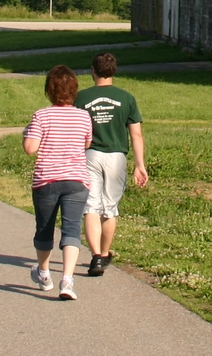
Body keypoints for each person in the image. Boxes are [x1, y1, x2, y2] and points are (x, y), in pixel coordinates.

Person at [75, 52, 149, 277]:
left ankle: (96, 255)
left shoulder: (81, 98)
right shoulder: (126, 98)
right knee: (109, 208)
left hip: (90, 155)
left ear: (93, 71)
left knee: (91, 207)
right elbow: (136, 134)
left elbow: (75, 130)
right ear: (114, 71)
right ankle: (105, 253)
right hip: (116, 155)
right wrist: (139, 164)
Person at [22, 65, 91, 301]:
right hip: (77, 179)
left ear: (49, 91)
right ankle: (68, 279)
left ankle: (43, 273)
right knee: (71, 229)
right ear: (74, 91)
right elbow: (87, 144)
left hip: (47, 180)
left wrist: (27, 133)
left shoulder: (42, 115)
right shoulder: (84, 116)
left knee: (45, 228)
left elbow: (30, 149)